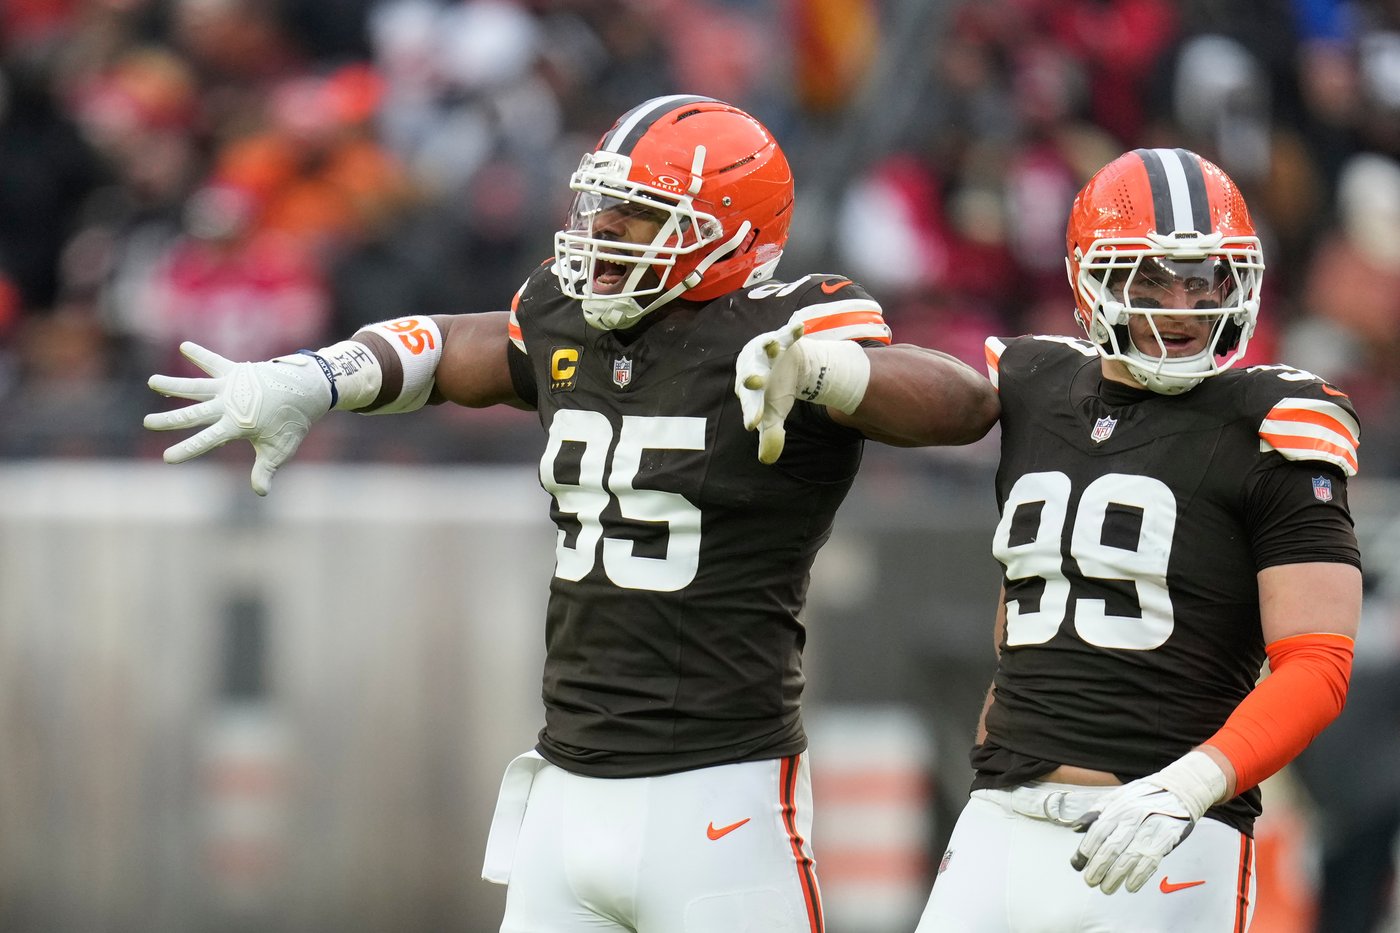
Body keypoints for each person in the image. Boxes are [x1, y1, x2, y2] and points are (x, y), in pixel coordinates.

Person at [143, 94, 1000, 933]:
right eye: (602, 207)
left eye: (636, 215)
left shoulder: (789, 326)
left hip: (721, 794)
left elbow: (958, 405)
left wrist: (823, 372)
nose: (601, 234)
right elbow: (452, 348)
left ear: (730, 231)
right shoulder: (568, 315)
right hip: (564, 791)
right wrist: (319, 375)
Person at [916, 147, 1362, 932]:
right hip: (1001, 818)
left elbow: (1319, 664)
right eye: (1149, 278)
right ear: (1091, 281)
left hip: (1163, 831)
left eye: (1203, 279)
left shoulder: (1274, 419)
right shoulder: (1038, 384)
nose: (1182, 305)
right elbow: (1025, 597)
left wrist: (1190, 784)